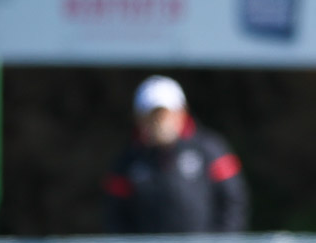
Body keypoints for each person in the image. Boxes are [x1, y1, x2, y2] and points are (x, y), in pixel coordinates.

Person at [103, 75, 249, 234]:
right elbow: (115, 216)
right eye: (152, 116)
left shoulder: (210, 149)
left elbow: (234, 202)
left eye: (164, 115)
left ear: (181, 113)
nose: (159, 123)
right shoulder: (128, 162)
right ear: (140, 119)